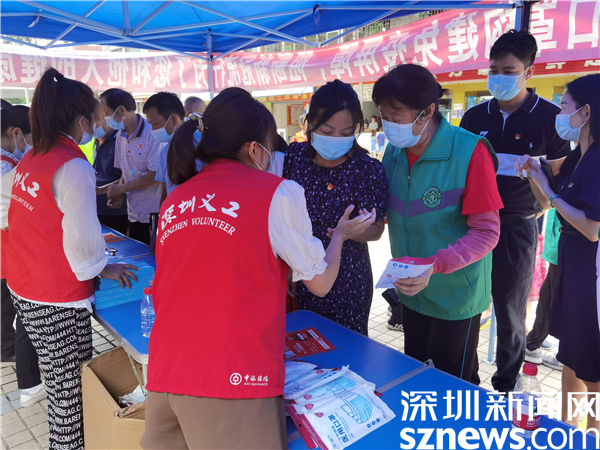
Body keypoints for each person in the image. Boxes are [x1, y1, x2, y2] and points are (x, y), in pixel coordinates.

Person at [141, 87, 375, 449]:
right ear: (254, 149)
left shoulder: (178, 199)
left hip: (165, 374)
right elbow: (320, 282)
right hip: (231, 381)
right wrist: (340, 236)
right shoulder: (275, 192)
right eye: (269, 147)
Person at [2, 67, 139, 450]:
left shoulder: (33, 158)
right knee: (71, 397)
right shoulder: (72, 165)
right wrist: (103, 267)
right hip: (56, 299)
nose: (95, 126)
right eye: (94, 118)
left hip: (26, 288)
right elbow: (82, 242)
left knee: (62, 389)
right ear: (80, 119)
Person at [375, 64, 503, 382]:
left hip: (455, 294)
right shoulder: (394, 151)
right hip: (412, 291)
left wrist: (435, 265)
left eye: (396, 115)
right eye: (383, 116)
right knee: (418, 375)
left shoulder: (469, 151)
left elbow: (487, 231)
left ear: (428, 111)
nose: (388, 125)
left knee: (452, 383)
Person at [460, 29, 570, 392]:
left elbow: (558, 186)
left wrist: (537, 184)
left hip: (519, 226)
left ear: (529, 71)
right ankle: (465, 378)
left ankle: (506, 384)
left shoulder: (552, 119)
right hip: (473, 225)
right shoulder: (474, 117)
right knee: (469, 304)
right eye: (493, 70)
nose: (499, 78)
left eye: (508, 71)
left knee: (510, 310)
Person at [515, 73, 600, 434]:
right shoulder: (577, 155)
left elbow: (591, 227)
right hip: (569, 264)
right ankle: (569, 431)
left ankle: (592, 434)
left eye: (564, 106)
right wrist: (537, 176)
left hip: (590, 271)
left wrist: (550, 194)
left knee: (592, 369)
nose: (559, 114)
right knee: (571, 356)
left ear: (586, 111)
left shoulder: (597, 159)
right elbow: (551, 202)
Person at [283, 80, 389, 335]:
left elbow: (377, 230)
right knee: (305, 345)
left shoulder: (368, 169)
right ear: (310, 123)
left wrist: (349, 233)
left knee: (349, 346)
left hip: (348, 278)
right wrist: (287, 269)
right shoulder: (294, 158)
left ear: (357, 129)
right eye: (327, 131)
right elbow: (283, 216)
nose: (335, 140)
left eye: (345, 133)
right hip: (303, 271)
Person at [0, 104, 46, 409]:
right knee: (18, 313)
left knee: (17, 311)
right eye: (31, 137)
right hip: (10, 252)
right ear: (16, 133)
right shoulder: (5, 168)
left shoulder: (9, 162)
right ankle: (25, 376)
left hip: (13, 251)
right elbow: (9, 218)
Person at [100, 88, 162, 244]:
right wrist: (119, 193)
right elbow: (125, 172)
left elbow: (156, 175)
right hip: (133, 214)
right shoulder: (119, 136)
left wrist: (122, 188)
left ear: (121, 110)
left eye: (106, 113)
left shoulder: (152, 133)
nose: (104, 119)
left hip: (154, 215)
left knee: (153, 254)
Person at [525, 210, 560, 368]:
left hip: (571, 249)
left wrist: (552, 200)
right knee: (547, 297)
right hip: (559, 247)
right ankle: (533, 345)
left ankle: (567, 355)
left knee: (553, 300)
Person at [143, 92, 187, 205]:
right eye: (150, 124)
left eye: (155, 123)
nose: (152, 129)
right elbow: (165, 191)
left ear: (173, 120)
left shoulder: (201, 145)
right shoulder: (165, 152)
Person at [92, 104, 128, 234]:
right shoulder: (96, 141)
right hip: (95, 208)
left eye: (96, 121)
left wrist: (100, 190)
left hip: (114, 209)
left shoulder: (120, 139)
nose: (93, 127)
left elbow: (127, 176)